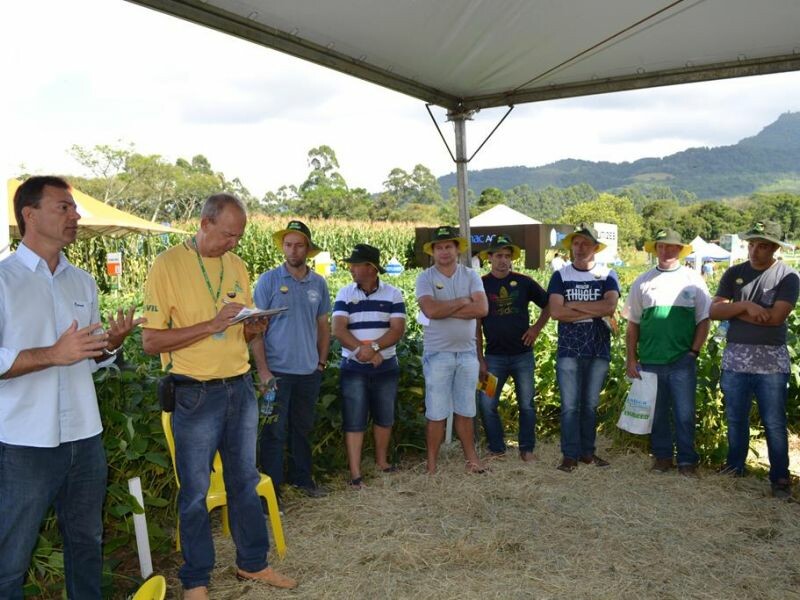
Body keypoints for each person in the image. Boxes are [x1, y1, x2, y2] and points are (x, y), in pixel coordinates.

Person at [142, 194, 296, 599]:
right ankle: (196, 581)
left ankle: (253, 563)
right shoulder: (167, 265)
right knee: (194, 492)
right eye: (228, 234)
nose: (233, 243)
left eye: (239, 236)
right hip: (193, 394)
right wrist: (212, 324)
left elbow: (240, 330)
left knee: (244, 481)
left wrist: (253, 327)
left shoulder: (238, 265)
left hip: (239, 388)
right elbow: (151, 341)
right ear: (205, 222)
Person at [0, 176, 143, 599]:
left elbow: (89, 360)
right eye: (64, 207)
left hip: (85, 436)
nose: (75, 216)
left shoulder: (83, 282)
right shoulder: (3, 282)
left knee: (86, 546)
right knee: (9, 560)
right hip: (24, 442)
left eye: (73, 208)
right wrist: (52, 354)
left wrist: (108, 347)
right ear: (30, 214)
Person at [709, 221, 799, 498]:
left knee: (773, 421)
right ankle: (735, 468)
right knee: (735, 418)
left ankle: (780, 477)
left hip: (771, 363)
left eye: (761, 246)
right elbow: (713, 310)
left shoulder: (787, 277)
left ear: (774, 248)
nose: (754, 250)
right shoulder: (735, 272)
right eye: (751, 244)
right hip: (735, 359)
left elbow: (775, 318)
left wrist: (733, 311)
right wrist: (748, 306)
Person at [622, 229, 711, 476]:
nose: (666, 250)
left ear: (680, 250)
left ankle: (687, 461)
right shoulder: (643, 281)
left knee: (684, 414)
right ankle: (662, 458)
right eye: (662, 246)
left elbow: (704, 320)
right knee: (658, 413)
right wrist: (631, 358)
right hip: (650, 360)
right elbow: (633, 324)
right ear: (656, 249)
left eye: (672, 246)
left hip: (682, 359)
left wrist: (693, 352)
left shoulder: (694, 280)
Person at [252, 220, 331, 498]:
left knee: (303, 429)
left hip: (308, 371)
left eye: (299, 245)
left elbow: (324, 326)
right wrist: (263, 372)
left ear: (308, 250)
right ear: (283, 247)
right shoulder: (269, 281)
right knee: (274, 433)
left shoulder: (318, 283)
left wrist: (321, 363)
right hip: (276, 373)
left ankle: (302, 481)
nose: (293, 250)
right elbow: (255, 330)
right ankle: (271, 492)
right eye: (288, 245)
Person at [332, 244, 406, 488]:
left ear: (371, 268)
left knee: (385, 416)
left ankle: (382, 462)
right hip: (353, 366)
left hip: (385, 366)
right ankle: (355, 474)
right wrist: (360, 352)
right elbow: (338, 329)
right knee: (354, 419)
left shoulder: (393, 294)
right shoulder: (344, 293)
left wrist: (372, 349)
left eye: (356, 264)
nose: (351, 268)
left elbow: (397, 330)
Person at [547, 223, 620, 472]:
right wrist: (593, 308)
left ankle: (587, 453)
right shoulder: (560, 275)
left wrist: (575, 305)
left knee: (589, 405)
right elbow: (556, 312)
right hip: (569, 349)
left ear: (595, 248)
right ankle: (569, 455)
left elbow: (609, 308)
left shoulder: (608, 274)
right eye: (576, 243)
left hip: (599, 349)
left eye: (585, 244)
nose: (579, 248)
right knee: (569, 405)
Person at [415, 226, 488, 474]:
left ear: (457, 249)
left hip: (468, 354)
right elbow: (430, 311)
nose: (444, 251)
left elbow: (482, 309)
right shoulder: (425, 278)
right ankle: (432, 465)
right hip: (438, 354)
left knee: (466, 410)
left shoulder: (471, 276)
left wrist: (444, 308)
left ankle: (472, 461)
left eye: (448, 246)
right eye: (439, 247)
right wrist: (461, 302)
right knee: (436, 413)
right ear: (433, 252)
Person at [476, 235, 549, 461]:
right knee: (486, 404)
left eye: (507, 256)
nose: (503, 261)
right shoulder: (480, 284)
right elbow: (475, 325)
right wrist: (479, 358)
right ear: (489, 258)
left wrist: (536, 328)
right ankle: (497, 449)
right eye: (498, 256)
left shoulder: (525, 281)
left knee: (527, 404)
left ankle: (526, 449)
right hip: (492, 358)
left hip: (523, 357)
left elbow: (549, 305)